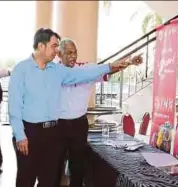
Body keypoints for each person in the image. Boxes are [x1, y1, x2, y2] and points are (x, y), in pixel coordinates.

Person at [8, 28, 129, 187]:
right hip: (29, 132)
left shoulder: (56, 70)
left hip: (52, 133)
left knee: (49, 179)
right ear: (41, 46)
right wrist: (20, 135)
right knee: (26, 178)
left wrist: (109, 67)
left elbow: (82, 75)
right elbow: (14, 105)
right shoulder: (21, 69)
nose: (56, 50)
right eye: (53, 46)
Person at [56, 38, 142, 187]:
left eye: (75, 52)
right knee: (54, 165)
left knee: (77, 166)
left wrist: (129, 62)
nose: (73, 56)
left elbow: (109, 68)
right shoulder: (52, 71)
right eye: (69, 53)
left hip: (78, 124)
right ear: (59, 54)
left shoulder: (86, 69)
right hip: (57, 124)